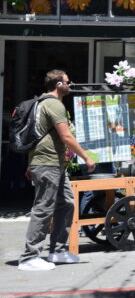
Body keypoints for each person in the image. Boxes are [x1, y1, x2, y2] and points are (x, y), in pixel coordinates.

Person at [18, 70, 96, 271]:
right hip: (48, 163)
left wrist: (32, 163)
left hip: (51, 163)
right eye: (68, 82)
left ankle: (58, 251)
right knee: (44, 208)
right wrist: (86, 156)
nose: (70, 85)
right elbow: (66, 136)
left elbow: (38, 134)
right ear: (59, 84)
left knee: (67, 203)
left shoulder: (43, 103)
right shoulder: (53, 104)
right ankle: (29, 257)